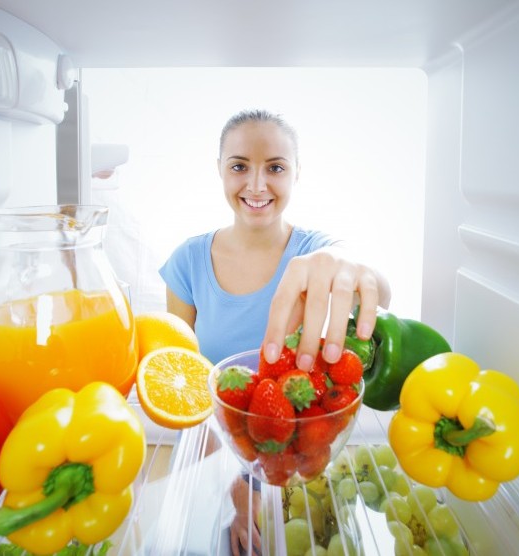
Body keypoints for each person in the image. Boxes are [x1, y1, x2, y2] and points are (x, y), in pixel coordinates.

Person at [159, 108, 391, 555]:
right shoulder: (187, 262)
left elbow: (377, 285)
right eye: (240, 166)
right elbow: (187, 390)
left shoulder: (314, 250)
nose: (257, 185)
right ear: (221, 171)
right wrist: (236, 494)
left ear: (297, 174)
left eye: (276, 168)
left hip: (302, 458)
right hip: (216, 459)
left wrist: (348, 262)